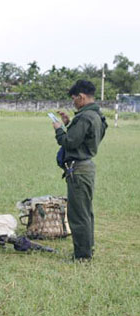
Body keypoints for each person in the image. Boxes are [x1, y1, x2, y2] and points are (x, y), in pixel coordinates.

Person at [53, 80, 107, 261]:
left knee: (78, 214)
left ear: (82, 97)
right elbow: (84, 138)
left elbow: (69, 142)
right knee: (86, 212)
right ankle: (87, 249)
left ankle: (82, 256)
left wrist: (59, 129)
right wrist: (69, 123)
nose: (73, 102)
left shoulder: (84, 117)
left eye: (74, 98)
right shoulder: (97, 116)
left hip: (78, 169)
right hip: (87, 167)